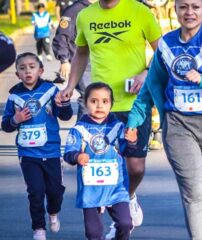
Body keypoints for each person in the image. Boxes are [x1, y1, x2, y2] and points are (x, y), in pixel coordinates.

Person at [125, 0, 202, 238]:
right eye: (184, 7)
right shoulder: (166, 44)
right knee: (194, 193)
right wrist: (134, 120)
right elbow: (150, 88)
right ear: (176, 10)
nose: (189, 12)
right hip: (178, 125)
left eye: (195, 6)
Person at [60, 0, 162, 233]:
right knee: (94, 160)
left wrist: (146, 71)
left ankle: (129, 196)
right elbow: (81, 53)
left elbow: (162, 52)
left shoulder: (139, 11)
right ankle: (111, 215)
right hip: (99, 105)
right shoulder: (86, 15)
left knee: (135, 167)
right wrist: (70, 85)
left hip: (134, 102)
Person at [1, 52, 73, 240]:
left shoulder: (51, 90)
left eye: (32, 67)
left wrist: (64, 104)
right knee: (35, 191)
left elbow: (65, 116)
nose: (27, 71)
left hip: (51, 151)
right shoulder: (14, 97)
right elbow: (6, 125)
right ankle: (38, 228)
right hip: (28, 153)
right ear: (17, 74)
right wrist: (15, 119)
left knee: (55, 191)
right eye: (22, 68)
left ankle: (54, 212)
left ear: (41, 70)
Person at [63, 82, 133, 240]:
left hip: (116, 187)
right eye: (94, 101)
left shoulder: (119, 127)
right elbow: (68, 153)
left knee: (125, 223)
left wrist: (132, 141)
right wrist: (77, 156)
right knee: (93, 233)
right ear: (85, 103)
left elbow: (128, 151)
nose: (99, 105)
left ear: (111, 104)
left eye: (105, 101)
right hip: (91, 189)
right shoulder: (79, 129)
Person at [52, 0, 95, 121]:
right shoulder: (74, 10)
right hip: (80, 61)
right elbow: (61, 36)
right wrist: (64, 60)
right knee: (88, 95)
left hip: (98, 61)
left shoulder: (100, 7)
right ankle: (82, 132)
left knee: (99, 95)